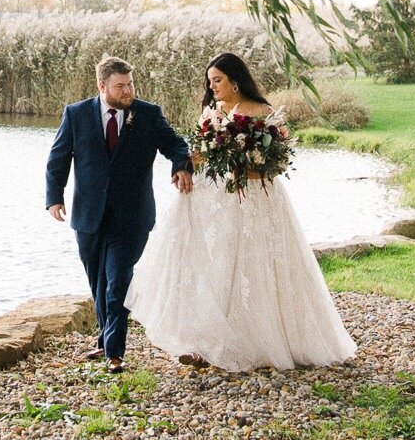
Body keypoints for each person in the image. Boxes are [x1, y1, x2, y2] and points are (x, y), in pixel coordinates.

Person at [125, 52, 357, 371]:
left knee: (255, 268)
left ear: (235, 80)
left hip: (256, 199)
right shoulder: (212, 112)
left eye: (217, 80)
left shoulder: (263, 112)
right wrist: (189, 163)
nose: (213, 87)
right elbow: (203, 154)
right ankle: (204, 343)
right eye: (210, 82)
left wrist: (247, 169)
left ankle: (257, 343)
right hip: (216, 201)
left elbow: (279, 162)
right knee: (211, 266)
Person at [45, 54, 194, 373]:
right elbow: (58, 158)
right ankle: (104, 340)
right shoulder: (76, 114)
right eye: (120, 86)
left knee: (118, 282)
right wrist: (54, 197)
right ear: (102, 86)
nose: (128, 91)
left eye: (131, 84)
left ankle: (114, 352)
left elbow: (176, 145)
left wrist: (181, 166)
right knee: (97, 281)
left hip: (132, 217)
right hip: (88, 216)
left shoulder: (149, 115)